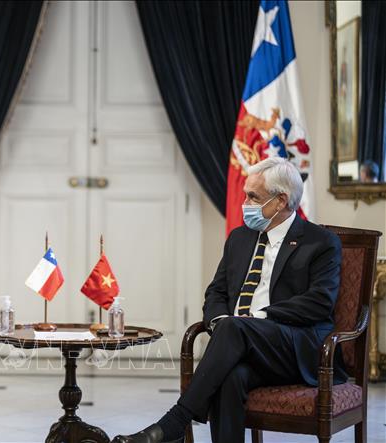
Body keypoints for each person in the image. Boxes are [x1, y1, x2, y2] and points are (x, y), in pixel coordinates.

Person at [112, 157, 346, 443]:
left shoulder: (320, 242)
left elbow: (320, 302)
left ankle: (175, 423)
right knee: (231, 377)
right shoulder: (240, 238)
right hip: (240, 342)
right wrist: (220, 321)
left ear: (281, 201)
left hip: (294, 345)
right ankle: (175, 426)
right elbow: (217, 292)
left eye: (253, 197)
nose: (244, 203)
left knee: (235, 327)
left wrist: (258, 317)